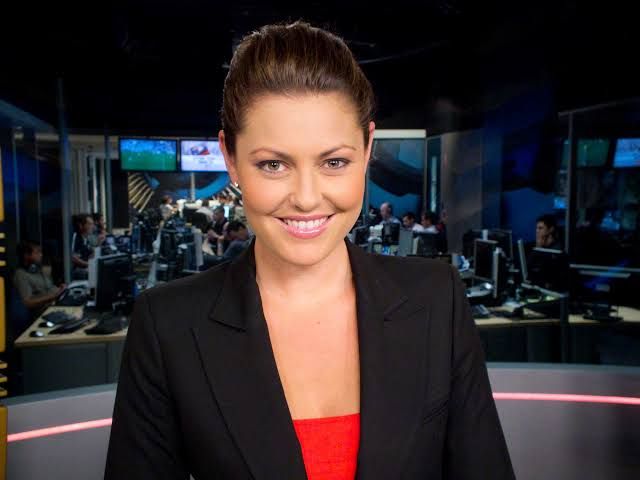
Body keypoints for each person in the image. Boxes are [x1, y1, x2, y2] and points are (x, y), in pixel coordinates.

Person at [106, 22, 514, 480]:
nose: (305, 198)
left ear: (368, 149)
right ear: (230, 158)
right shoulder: (168, 325)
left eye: (334, 162)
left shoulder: (437, 299)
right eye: (273, 164)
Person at [14, 241, 65, 319]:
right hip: (45, 312)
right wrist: (54, 296)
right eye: (37, 252)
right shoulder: (21, 274)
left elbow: (48, 288)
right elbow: (28, 302)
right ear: (26, 255)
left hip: (57, 303)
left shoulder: (37, 269)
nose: (41, 255)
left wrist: (60, 289)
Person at [71, 213, 94, 280]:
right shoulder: (75, 237)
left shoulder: (86, 239)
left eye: (92, 224)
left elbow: (90, 255)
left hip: (85, 267)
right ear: (80, 225)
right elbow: (73, 258)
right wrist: (89, 264)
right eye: (89, 224)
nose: (92, 227)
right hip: (76, 270)